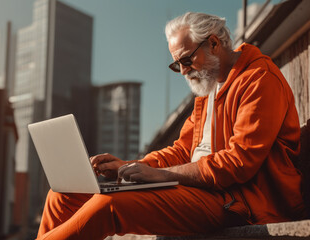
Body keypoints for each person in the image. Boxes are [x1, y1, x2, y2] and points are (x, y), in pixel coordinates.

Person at [36, 12, 306, 240]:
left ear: (214, 43)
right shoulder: (208, 90)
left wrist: (163, 175)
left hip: (239, 201)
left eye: (187, 60)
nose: (185, 71)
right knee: (62, 195)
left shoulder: (259, 79)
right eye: (177, 65)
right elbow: (181, 151)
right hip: (197, 191)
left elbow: (238, 163)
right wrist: (129, 166)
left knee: (109, 204)